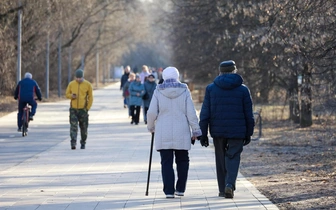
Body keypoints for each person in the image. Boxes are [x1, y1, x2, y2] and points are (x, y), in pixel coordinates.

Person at [199, 60, 255, 198]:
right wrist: (249, 133)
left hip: (218, 130)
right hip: (238, 130)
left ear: (220, 71)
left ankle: (222, 190)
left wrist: (203, 133)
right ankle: (230, 184)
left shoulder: (211, 88)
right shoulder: (243, 89)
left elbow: (205, 113)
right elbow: (249, 114)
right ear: (234, 71)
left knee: (220, 159)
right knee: (233, 156)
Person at [147, 66, 202, 198]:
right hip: (181, 131)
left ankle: (169, 192)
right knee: (183, 160)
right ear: (177, 76)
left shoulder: (158, 91)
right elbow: (191, 112)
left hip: (163, 131)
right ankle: (180, 189)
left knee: (166, 162)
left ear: (164, 77)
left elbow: (152, 112)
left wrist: (151, 126)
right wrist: (195, 130)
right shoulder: (184, 90)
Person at [65, 69, 93, 150]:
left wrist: (87, 108)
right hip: (73, 109)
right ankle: (73, 143)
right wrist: (71, 96)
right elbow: (67, 94)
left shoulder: (87, 85)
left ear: (82, 77)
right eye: (77, 78)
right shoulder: (71, 84)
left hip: (83, 110)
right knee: (73, 126)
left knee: (84, 128)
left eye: (80, 78)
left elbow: (90, 97)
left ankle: (83, 142)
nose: (78, 79)